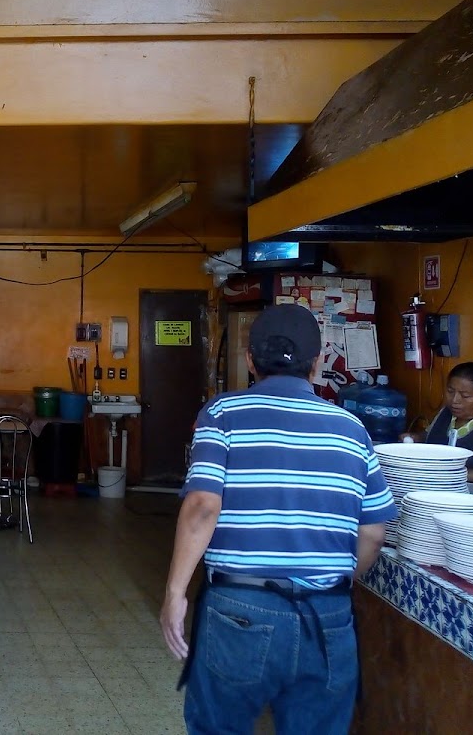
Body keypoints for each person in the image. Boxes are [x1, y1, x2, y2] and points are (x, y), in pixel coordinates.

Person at [159, 303, 395, 735]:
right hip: (327, 616)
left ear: (250, 360)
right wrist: (334, 583)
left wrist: (175, 593)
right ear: (317, 364)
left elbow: (203, 506)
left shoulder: (222, 414)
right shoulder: (352, 429)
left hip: (240, 608)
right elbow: (374, 533)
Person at [424, 361, 473, 484]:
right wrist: (416, 437)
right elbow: (432, 435)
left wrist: (457, 474)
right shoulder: (446, 412)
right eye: (450, 391)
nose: (455, 400)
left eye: (465, 396)